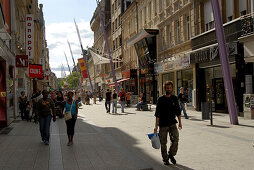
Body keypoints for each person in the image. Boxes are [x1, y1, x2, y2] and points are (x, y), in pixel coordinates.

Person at [154, 81, 182, 165]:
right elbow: (157, 114)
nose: (168, 89)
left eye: (170, 88)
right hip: (163, 124)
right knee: (163, 142)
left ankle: (171, 154)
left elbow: (178, 111)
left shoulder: (174, 98)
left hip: (172, 123)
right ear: (164, 88)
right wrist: (156, 126)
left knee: (176, 138)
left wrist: (180, 123)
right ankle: (165, 158)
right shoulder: (160, 99)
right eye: (167, 88)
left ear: (172, 88)